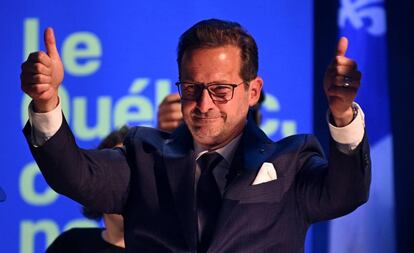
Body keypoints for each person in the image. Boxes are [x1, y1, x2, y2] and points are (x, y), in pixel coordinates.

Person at [21, 19, 370, 252]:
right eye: (192, 88)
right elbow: (75, 176)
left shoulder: (289, 162)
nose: (203, 104)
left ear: (252, 91)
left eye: (220, 89)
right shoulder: (144, 156)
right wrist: (47, 102)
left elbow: (346, 192)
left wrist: (341, 114)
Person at [46, 126, 129, 253]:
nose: (127, 184)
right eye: (120, 173)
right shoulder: (70, 245)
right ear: (97, 183)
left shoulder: (167, 247)